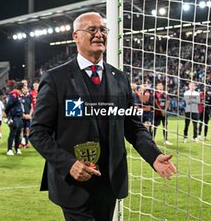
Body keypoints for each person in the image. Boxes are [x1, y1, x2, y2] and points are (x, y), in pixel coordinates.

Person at [29, 12, 176, 221]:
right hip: (73, 183)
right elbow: (38, 132)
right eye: (92, 29)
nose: (99, 34)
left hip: (110, 181)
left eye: (103, 30)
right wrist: (69, 164)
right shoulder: (55, 78)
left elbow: (133, 127)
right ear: (75, 36)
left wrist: (153, 155)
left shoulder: (120, 78)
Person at [5, 82, 25, 155]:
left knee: (18, 134)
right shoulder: (13, 94)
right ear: (21, 88)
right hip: (14, 117)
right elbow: (8, 106)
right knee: (12, 133)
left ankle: (17, 148)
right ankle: (9, 149)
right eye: (24, 87)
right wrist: (9, 116)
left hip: (19, 117)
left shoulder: (19, 95)